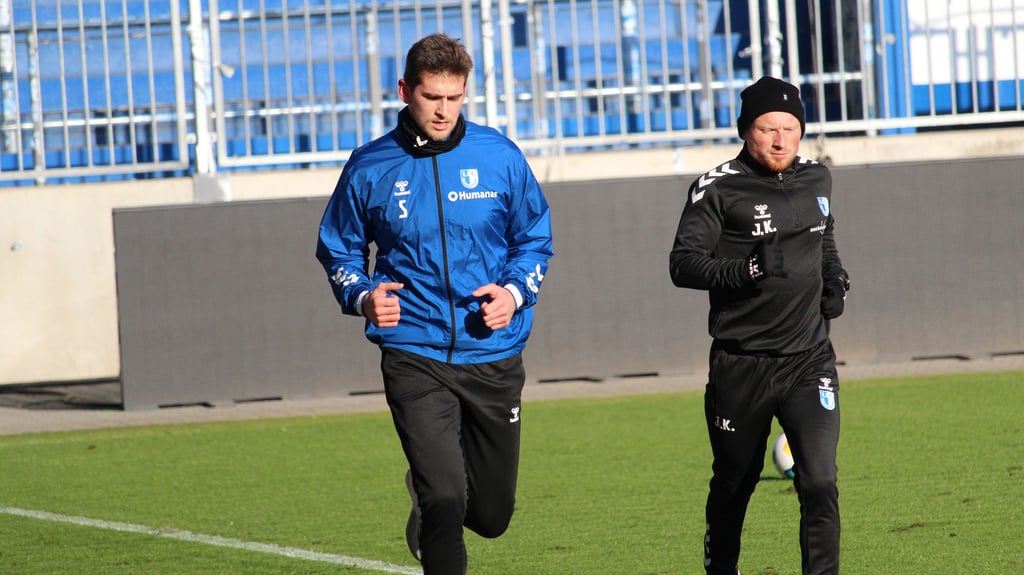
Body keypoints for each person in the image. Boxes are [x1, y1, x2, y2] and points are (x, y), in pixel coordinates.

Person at [315, 33, 553, 575]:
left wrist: (513, 293)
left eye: (455, 98)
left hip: (492, 350)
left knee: (490, 515)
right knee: (445, 503)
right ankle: (431, 491)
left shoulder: (499, 156)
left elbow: (534, 239)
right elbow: (339, 248)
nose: (443, 110)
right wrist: (362, 295)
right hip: (413, 352)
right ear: (405, 90)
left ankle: (425, 490)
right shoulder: (370, 166)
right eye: (431, 97)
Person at [669, 76, 850, 575]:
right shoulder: (717, 187)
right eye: (767, 129)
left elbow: (824, 235)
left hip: (808, 360)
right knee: (734, 481)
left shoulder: (818, 178)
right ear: (746, 130)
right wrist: (745, 269)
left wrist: (835, 278)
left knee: (818, 480)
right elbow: (682, 264)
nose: (779, 140)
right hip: (740, 365)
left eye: (790, 129)